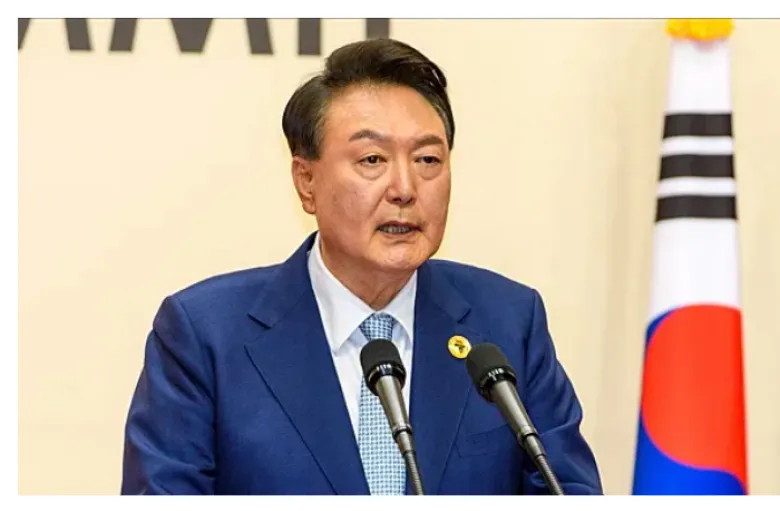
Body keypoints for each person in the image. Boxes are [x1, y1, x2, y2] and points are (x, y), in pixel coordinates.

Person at [121, 37, 603, 496]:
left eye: (428, 159)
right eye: (372, 159)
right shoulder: (205, 336)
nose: (405, 189)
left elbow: (566, 488)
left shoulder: (508, 323)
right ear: (306, 182)